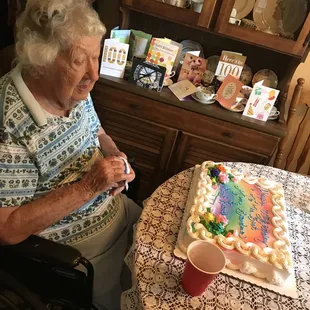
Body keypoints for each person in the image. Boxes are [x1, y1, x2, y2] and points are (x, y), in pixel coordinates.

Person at [0, 0, 141, 309]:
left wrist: (115, 155)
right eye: (81, 60)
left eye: (96, 57)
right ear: (44, 62)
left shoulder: (71, 89)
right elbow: (7, 230)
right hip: (84, 254)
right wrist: (89, 186)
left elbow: (98, 133)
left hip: (120, 213)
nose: (95, 74)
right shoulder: (9, 122)